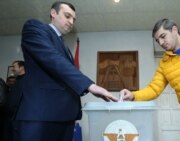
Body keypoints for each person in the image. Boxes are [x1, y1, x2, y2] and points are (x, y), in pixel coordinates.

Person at [14, 1, 118, 141]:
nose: (71, 22)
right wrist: (90, 86)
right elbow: (52, 59)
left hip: (65, 117)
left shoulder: (65, 46)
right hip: (41, 116)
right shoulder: (34, 28)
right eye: (67, 16)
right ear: (53, 13)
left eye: (73, 19)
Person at [3, 60, 25, 141]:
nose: (12, 69)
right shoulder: (18, 81)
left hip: (15, 119)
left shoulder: (25, 81)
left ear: (21, 67)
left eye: (14, 67)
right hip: (9, 118)